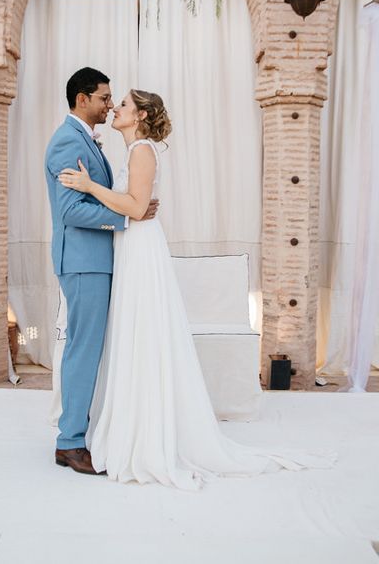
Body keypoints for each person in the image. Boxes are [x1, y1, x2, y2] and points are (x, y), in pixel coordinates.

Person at [58, 88, 334, 489]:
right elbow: (135, 205)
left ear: (139, 116)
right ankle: (129, 419)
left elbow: (136, 208)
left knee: (142, 333)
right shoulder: (135, 150)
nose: (116, 108)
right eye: (114, 103)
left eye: (124, 106)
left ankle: (145, 430)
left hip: (140, 248)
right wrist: (117, 199)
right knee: (132, 334)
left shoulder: (142, 152)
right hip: (130, 245)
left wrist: (88, 186)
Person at [44, 67, 157, 476]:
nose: (109, 105)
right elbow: (71, 210)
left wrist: (129, 207)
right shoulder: (65, 143)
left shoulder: (86, 141)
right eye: (104, 98)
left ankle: (83, 432)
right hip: (82, 261)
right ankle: (70, 442)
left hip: (98, 261)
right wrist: (127, 217)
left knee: (91, 348)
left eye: (113, 99)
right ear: (81, 99)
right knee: (82, 348)